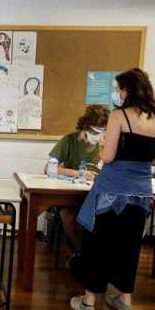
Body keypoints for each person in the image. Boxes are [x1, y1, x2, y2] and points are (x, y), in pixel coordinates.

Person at [70, 68, 155, 310]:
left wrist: (103, 146)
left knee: (98, 245)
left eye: (118, 89)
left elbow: (109, 157)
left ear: (127, 90)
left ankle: (88, 302)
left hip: (112, 192)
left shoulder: (118, 116)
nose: (117, 93)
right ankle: (124, 301)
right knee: (129, 246)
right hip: (141, 194)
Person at [45, 105, 110, 252]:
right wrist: (77, 173)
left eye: (104, 131)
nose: (99, 136)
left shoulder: (108, 144)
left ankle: (98, 253)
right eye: (95, 131)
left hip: (97, 196)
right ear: (86, 126)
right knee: (68, 215)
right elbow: (49, 168)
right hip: (72, 196)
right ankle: (81, 252)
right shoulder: (69, 141)